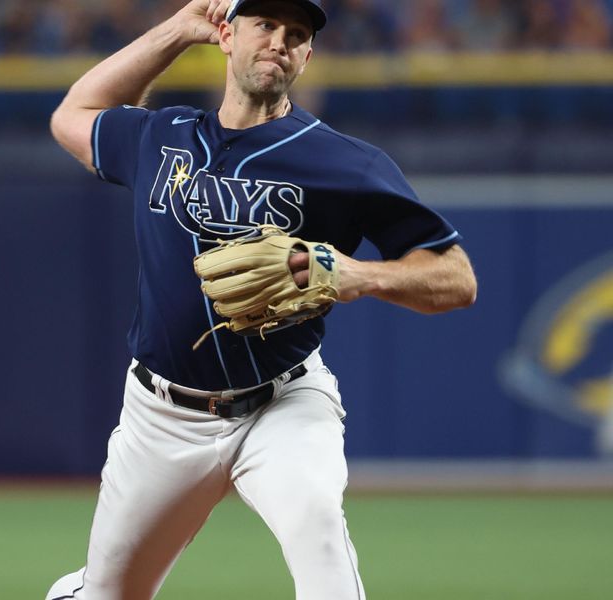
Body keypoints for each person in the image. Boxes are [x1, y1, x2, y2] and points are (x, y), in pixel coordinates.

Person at [46, 1, 477, 598]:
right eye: (265, 25)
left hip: (283, 404)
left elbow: (457, 279)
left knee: (318, 532)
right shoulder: (159, 136)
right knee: (108, 593)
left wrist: (361, 274)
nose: (279, 40)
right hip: (162, 418)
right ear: (226, 35)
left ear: (307, 55)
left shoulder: (344, 163)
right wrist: (176, 30)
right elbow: (73, 115)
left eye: (296, 34)